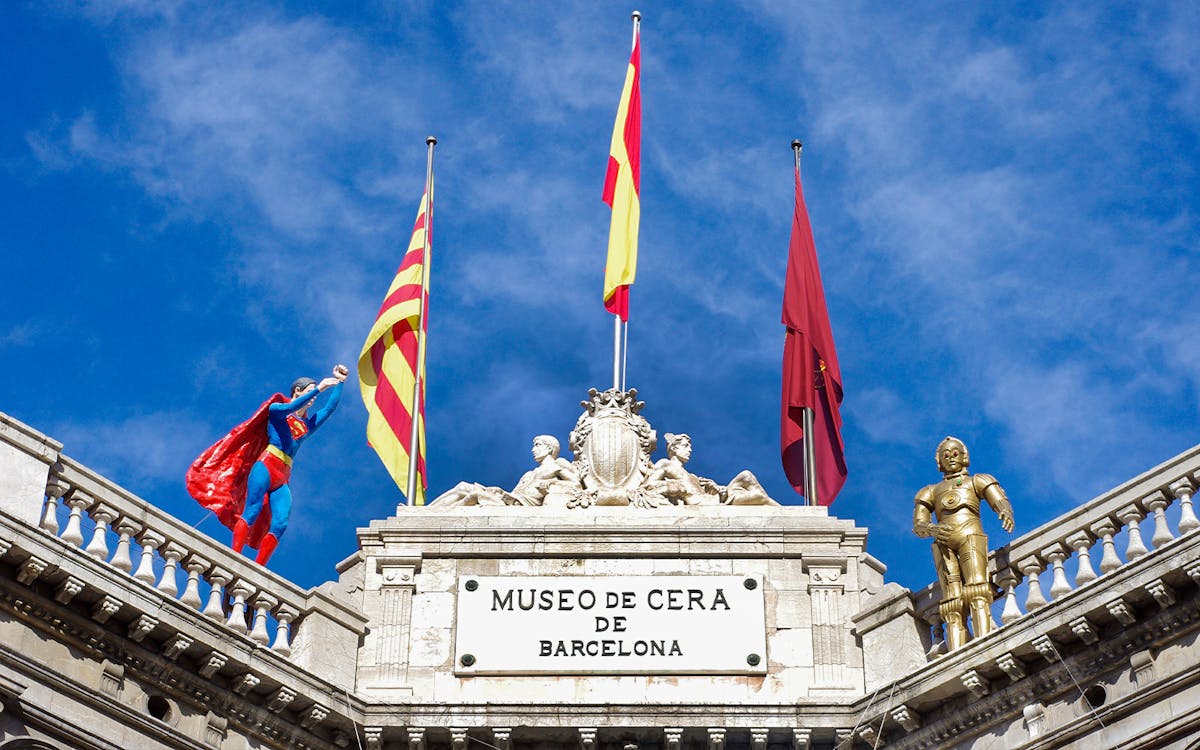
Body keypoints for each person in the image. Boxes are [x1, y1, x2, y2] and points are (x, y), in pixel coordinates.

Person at [186, 364, 347, 565]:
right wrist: (319, 388)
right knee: (252, 510)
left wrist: (340, 382)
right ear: (298, 391)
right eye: (309, 392)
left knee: (280, 523)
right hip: (266, 466)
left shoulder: (306, 425)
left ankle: (258, 568)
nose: (313, 398)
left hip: (283, 477)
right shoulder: (278, 409)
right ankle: (234, 557)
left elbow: (328, 409)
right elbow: (290, 408)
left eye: (314, 394)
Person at [913, 436, 1014, 651]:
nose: (951, 459)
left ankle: (984, 639)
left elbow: (998, 498)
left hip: (970, 534)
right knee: (952, 599)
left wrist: (1005, 511)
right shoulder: (930, 491)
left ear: (964, 457)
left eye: (955, 454)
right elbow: (919, 524)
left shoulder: (976, 480)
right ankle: (957, 648)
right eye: (946, 456)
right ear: (940, 461)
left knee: (977, 588)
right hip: (943, 541)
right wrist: (932, 528)